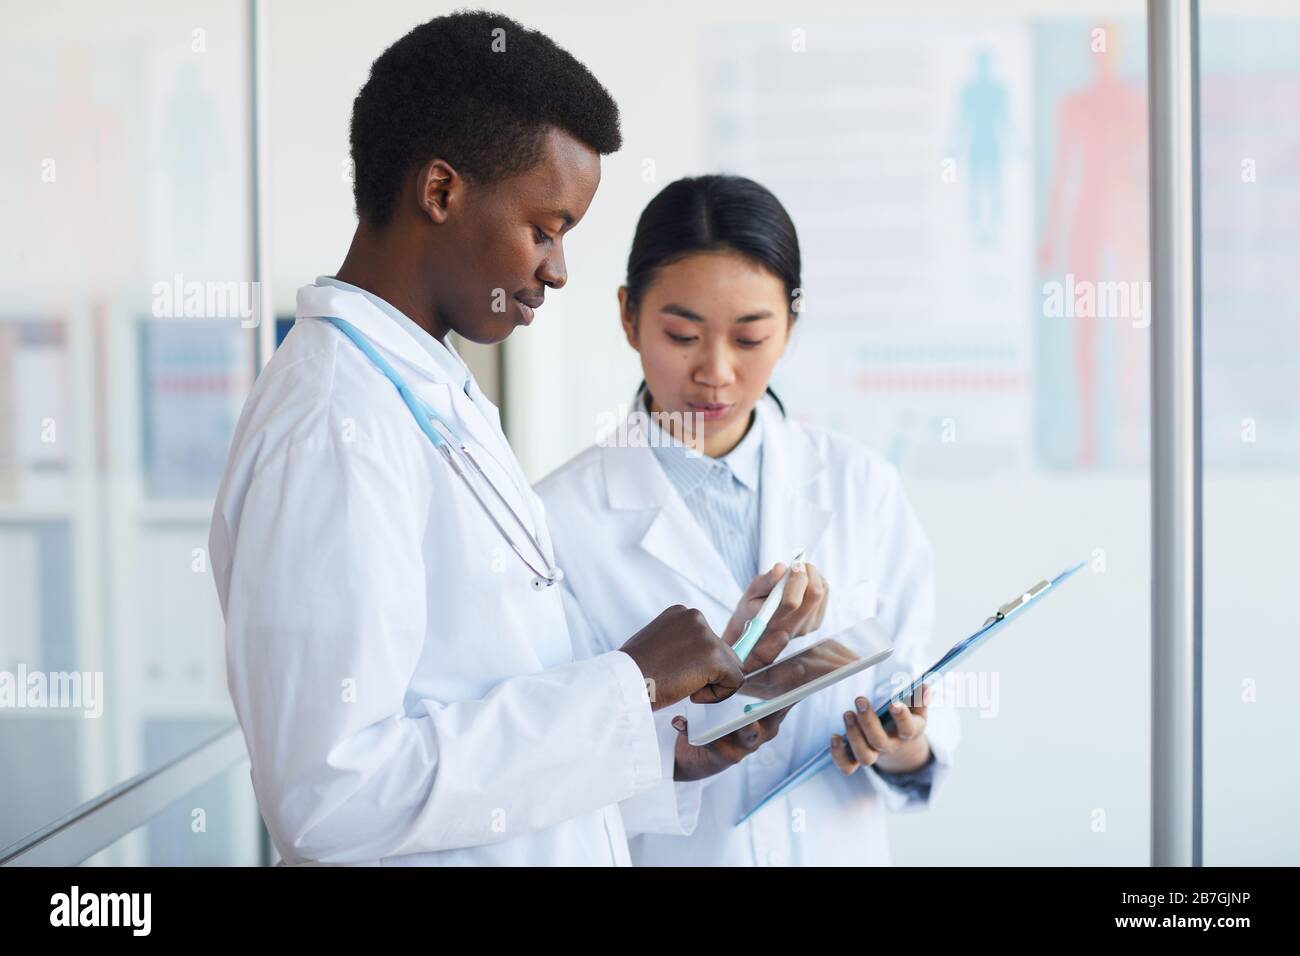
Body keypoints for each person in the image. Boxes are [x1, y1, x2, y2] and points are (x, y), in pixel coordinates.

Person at [208, 13, 793, 867]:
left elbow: (479, 693)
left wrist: (647, 745)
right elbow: (328, 796)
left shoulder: (427, 391)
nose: (558, 269)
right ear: (440, 191)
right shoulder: (333, 426)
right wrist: (624, 684)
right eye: (545, 228)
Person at [537, 175, 960, 865]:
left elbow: (917, 706)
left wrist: (903, 739)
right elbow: (547, 764)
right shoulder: (555, 521)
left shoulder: (862, 488)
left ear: (790, 324)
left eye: (750, 336)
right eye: (682, 335)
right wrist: (681, 747)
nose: (717, 372)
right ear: (626, 316)